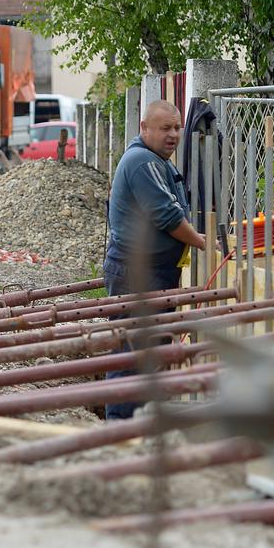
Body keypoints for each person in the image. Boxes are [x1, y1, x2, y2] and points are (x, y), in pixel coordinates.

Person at [102, 99, 207, 419]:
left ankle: (142, 422)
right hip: (138, 274)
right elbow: (168, 217)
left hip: (151, 272)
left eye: (177, 127)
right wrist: (203, 243)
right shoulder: (142, 162)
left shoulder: (156, 159)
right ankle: (120, 428)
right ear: (144, 128)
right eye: (165, 128)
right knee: (132, 356)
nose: (174, 134)